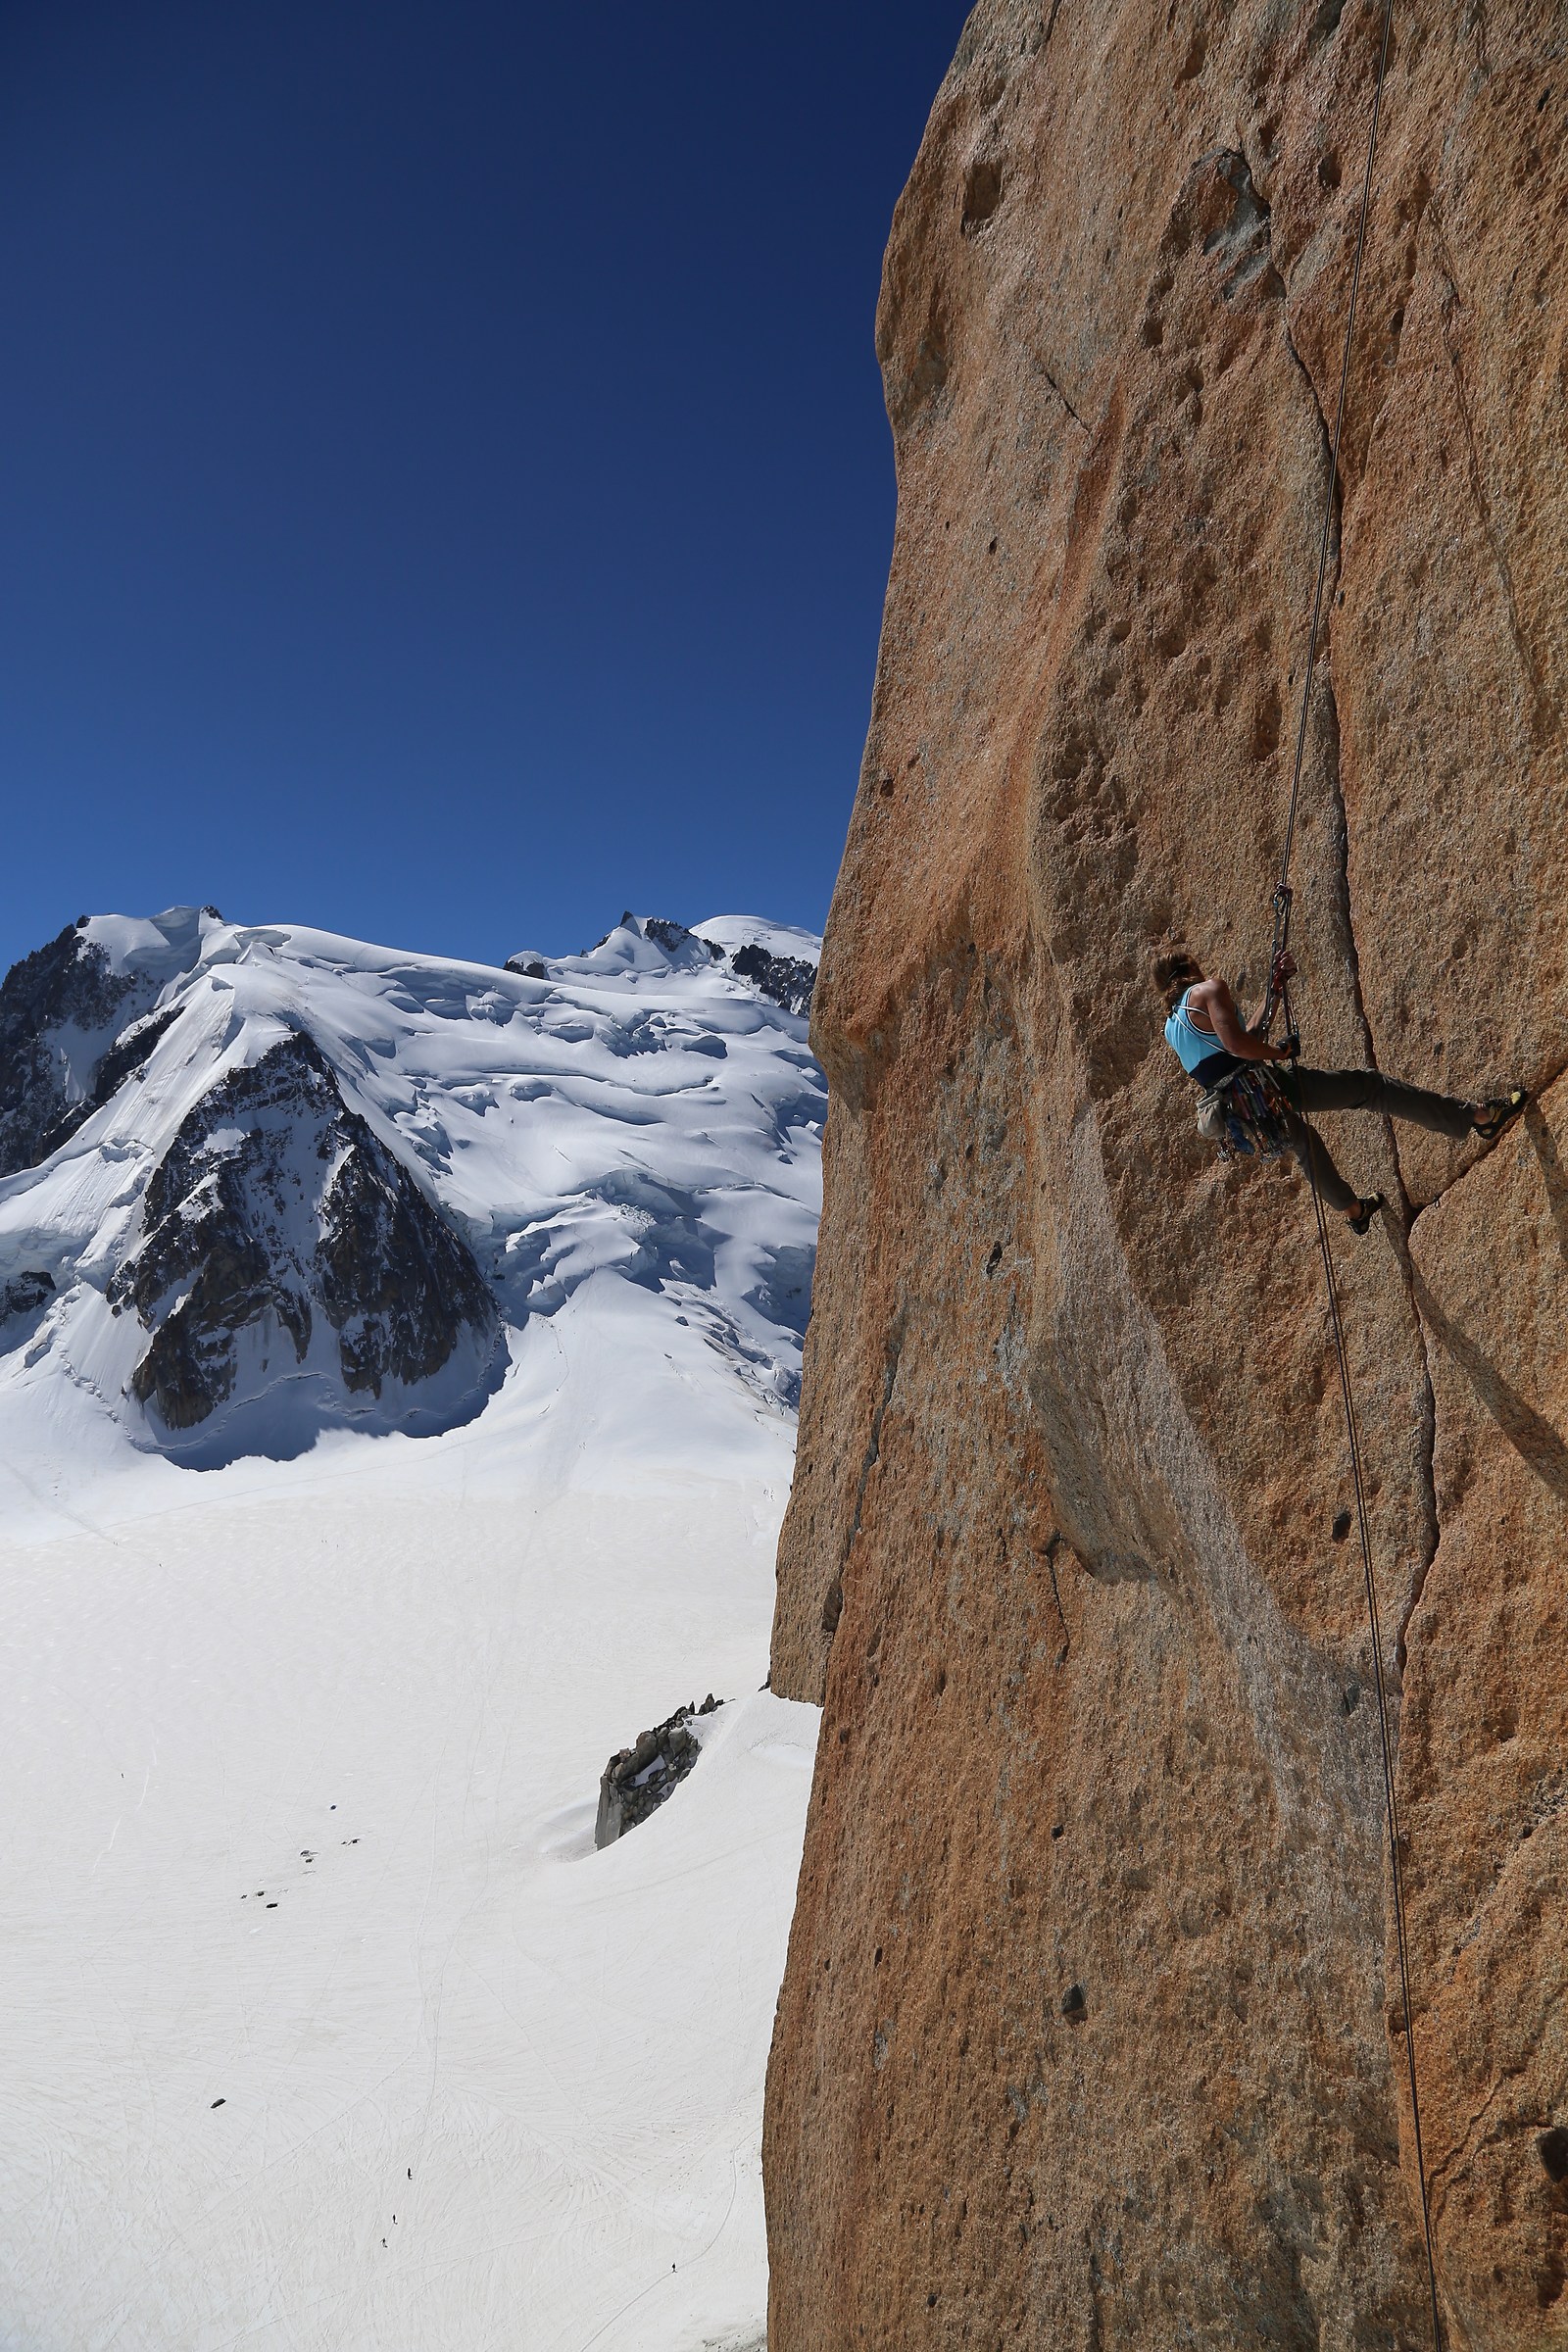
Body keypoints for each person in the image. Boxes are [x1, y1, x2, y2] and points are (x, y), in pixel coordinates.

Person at [1155, 948, 1526, 1233]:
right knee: (1370, 1087)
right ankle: (1478, 1117)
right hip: (1265, 1088)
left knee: (1305, 1146)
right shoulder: (1208, 990)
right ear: (1191, 968)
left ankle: (1354, 1211)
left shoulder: (1173, 1028)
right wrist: (1279, 1052)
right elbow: (1239, 1046)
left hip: (1241, 1110)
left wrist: (1273, 993)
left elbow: (1235, 1048)